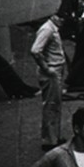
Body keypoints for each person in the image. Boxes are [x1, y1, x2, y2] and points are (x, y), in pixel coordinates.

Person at [31, 11, 67, 150]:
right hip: (51, 72)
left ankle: (53, 137)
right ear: (53, 16)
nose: (62, 21)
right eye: (61, 17)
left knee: (55, 104)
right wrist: (47, 68)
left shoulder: (52, 29)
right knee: (51, 105)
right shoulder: (47, 29)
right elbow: (35, 50)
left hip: (55, 70)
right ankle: (50, 141)